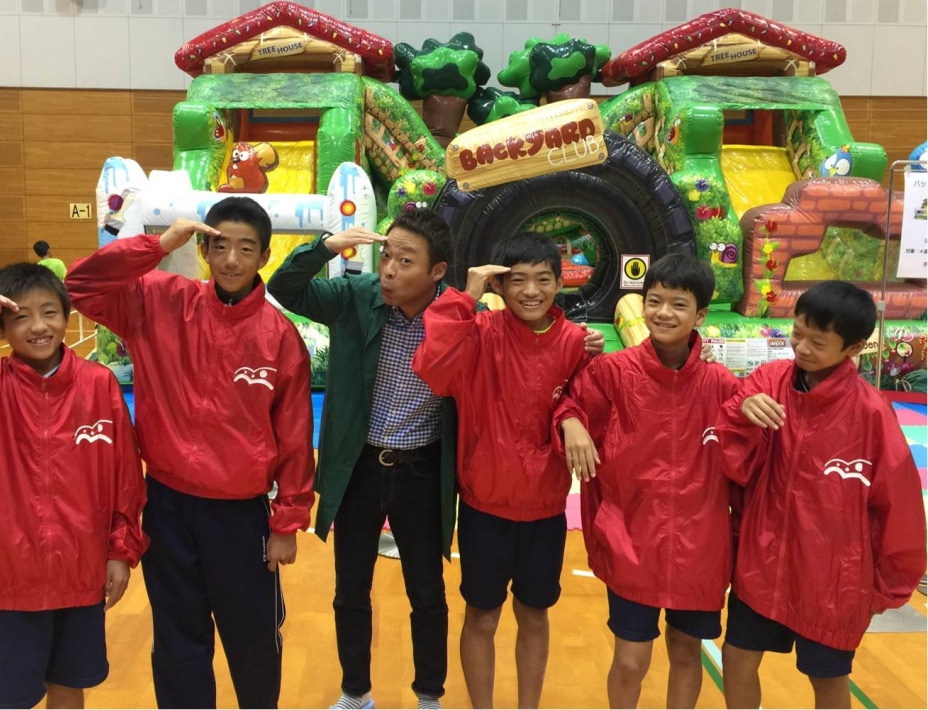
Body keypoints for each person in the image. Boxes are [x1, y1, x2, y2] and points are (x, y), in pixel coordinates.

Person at [268, 214, 606, 710]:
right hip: (359, 465)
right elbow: (285, 288)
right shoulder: (356, 297)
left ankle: (429, 696)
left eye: (405, 261)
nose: (389, 270)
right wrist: (324, 246)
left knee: (426, 592)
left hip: (424, 470)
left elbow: (531, 359)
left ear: (437, 271)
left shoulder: (463, 317)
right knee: (349, 590)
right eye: (387, 256)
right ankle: (355, 692)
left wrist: (576, 346)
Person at [65, 197, 315, 709]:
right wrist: (156, 246)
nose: (231, 260)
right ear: (202, 249)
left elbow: (294, 436)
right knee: (178, 642)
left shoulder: (279, 337)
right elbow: (81, 285)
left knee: (253, 641)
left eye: (245, 249)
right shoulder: (160, 300)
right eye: (219, 246)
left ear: (264, 256)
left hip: (240, 517)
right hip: (167, 507)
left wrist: (288, 521)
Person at [0, 263, 147, 710]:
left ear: (67, 316)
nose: (38, 327)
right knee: (11, 700)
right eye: (21, 317)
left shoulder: (98, 385)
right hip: (8, 578)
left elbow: (125, 477)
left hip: (82, 572)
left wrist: (120, 550)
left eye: (49, 312)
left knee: (69, 688)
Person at [716, 281, 927, 709]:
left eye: (818, 342)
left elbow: (899, 507)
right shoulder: (768, 382)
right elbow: (730, 461)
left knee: (828, 679)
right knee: (736, 658)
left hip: (834, 579)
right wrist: (741, 416)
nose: (802, 348)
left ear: (854, 347)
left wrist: (888, 587)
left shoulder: (870, 413)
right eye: (797, 334)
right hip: (762, 562)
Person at [412, 232, 596, 710]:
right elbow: (431, 368)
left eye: (543, 279)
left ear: (560, 283)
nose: (531, 291)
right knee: (482, 616)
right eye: (518, 280)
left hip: (545, 509)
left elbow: (590, 400)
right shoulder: (478, 333)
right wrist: (464, 299)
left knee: (535, 616)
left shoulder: (576, 343)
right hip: (485, 506)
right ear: (499, 285)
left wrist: (573, 416)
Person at [554, 254, 739, 709]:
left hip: (700, 548)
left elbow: (750, 453)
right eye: (654, 301)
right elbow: (570, 402)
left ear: (700, 315)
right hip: (631, 541)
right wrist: (570, 420)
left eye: (678, 304)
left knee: (686, 651)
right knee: (630, 662)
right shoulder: (614, 372)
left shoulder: (721, 385)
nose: (663, 313)